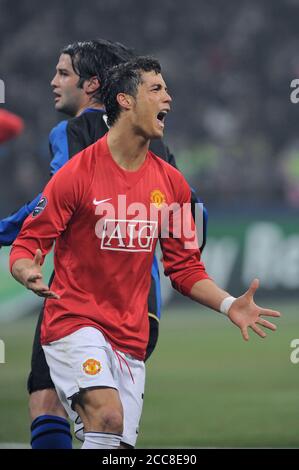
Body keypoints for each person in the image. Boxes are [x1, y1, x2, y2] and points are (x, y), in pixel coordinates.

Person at [9, 56, 280, 450]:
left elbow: (184, 268)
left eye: (166, 89)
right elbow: (28, 243)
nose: (168, 98)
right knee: (108, 416)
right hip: (74, 321)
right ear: (125, 100)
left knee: (114, 440)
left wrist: (228, 305)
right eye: (156, 89)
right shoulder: (77, 174)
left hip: (130, 338)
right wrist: (25, 270)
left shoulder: (171, 183)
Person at [0, 40, 207, 448]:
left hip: (81, 299)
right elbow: (195, 213)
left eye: (63, 73)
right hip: (142, 310)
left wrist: (5, 232)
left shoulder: (71, 134)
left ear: (94, 84)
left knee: (47, 402)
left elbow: (50, 203)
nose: (53, 82)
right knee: (109, 422)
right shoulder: (157, 144)